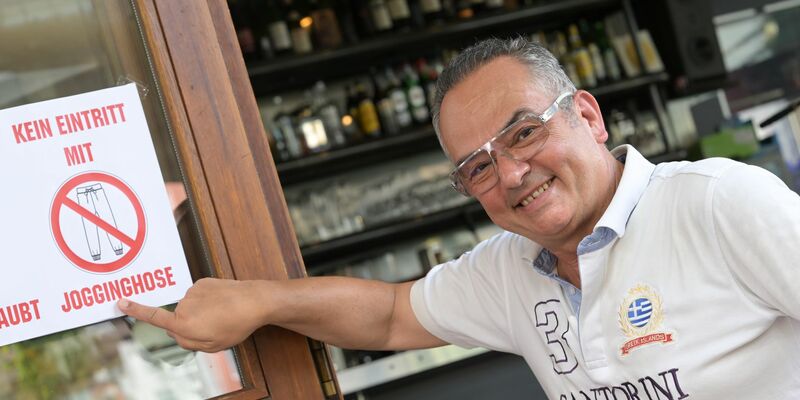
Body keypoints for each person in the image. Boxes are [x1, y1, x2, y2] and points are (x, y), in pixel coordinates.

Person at [119, 37, 800, 399]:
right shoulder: (513, 269)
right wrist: (258, 301)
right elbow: (388, 314)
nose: (508, 174)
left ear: (587, 116)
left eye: (524, 133)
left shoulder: (717, 203)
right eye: (476, 166)